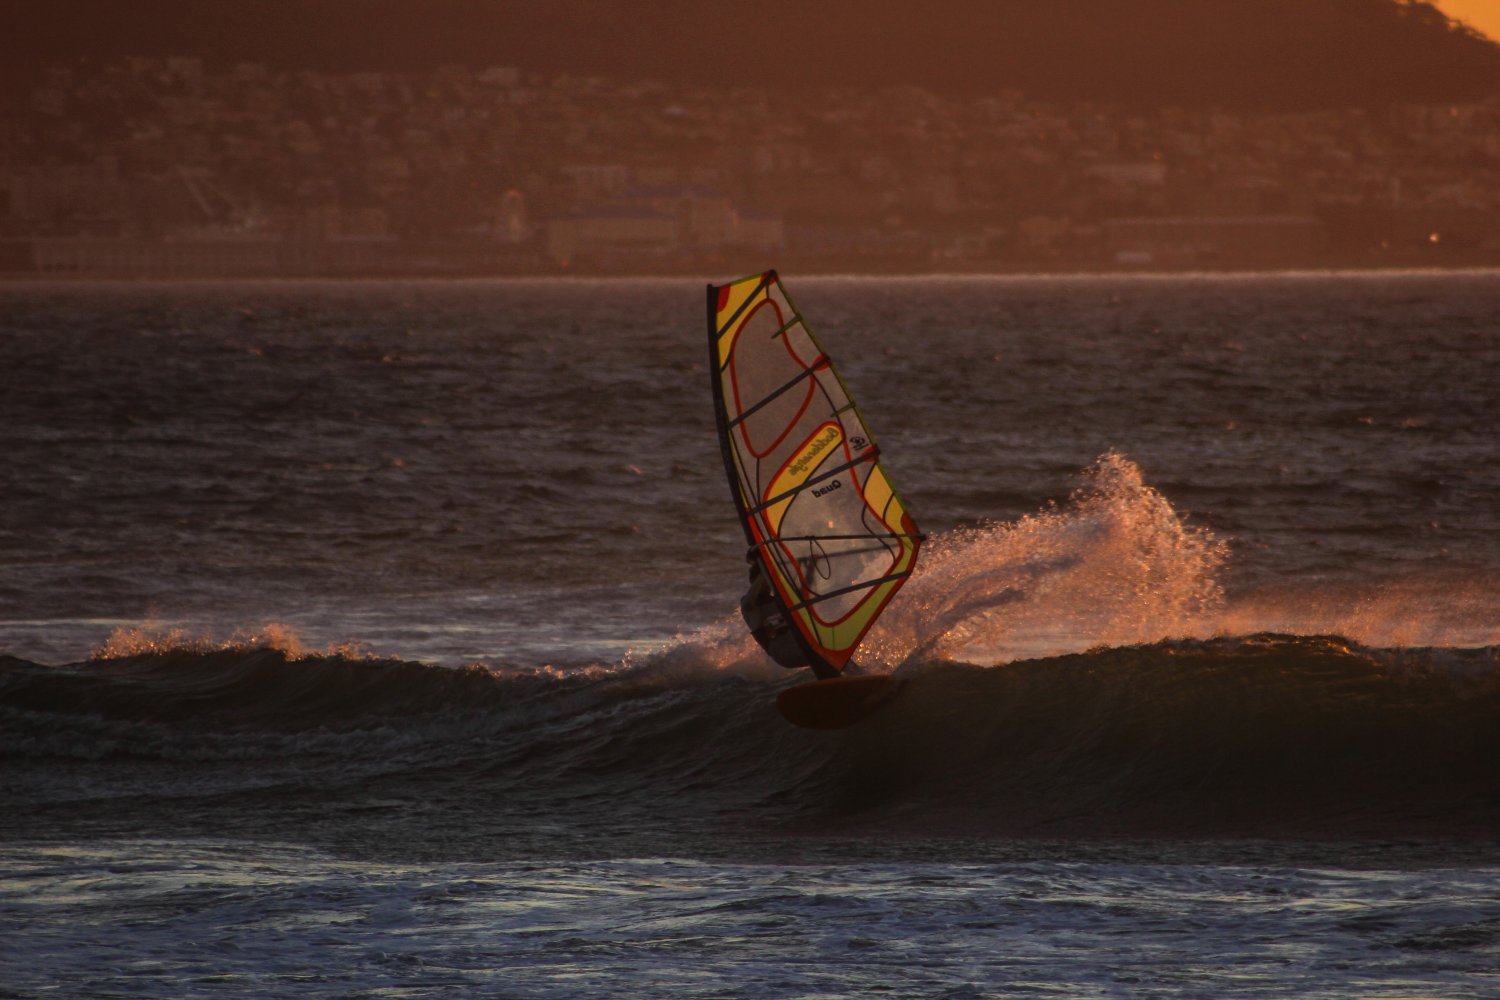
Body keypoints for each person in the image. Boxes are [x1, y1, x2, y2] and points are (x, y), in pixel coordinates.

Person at [740, 550, 838, 679]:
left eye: (767, 582)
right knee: (826, 655)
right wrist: (764, 570)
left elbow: (803, 592)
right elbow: (750, 599)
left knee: (834, 652)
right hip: (783, 654)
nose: (766, 586)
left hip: (800, 647)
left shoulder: (779, 601)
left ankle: (850, 678)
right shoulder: (750, 606)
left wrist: (811, 566)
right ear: (755, 582)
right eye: (762, 583)